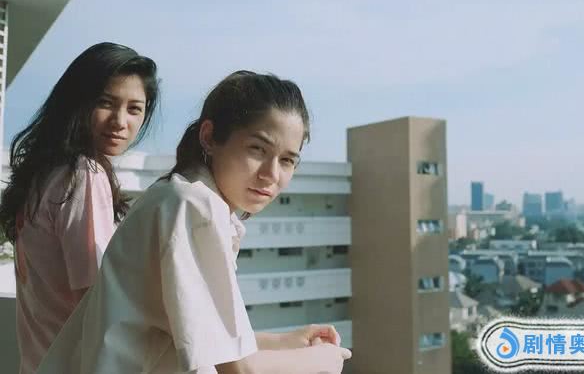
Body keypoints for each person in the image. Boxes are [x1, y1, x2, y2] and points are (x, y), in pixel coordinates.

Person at [35, 71, 352, 373]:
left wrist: (285, 342)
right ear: (210, 137)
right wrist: (322, 359)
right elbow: (239, 369)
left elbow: (207, 341)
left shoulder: (177, 196)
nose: (271, 174)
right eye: (257, 149)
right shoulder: (193, 207)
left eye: (287, 160)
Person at [0, 42, 160, 373]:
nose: (120, 121)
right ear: (77, 102)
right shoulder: (83, 175)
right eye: (105, 103)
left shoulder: (43, 173)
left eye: (134, 109)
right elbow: (100, 299)